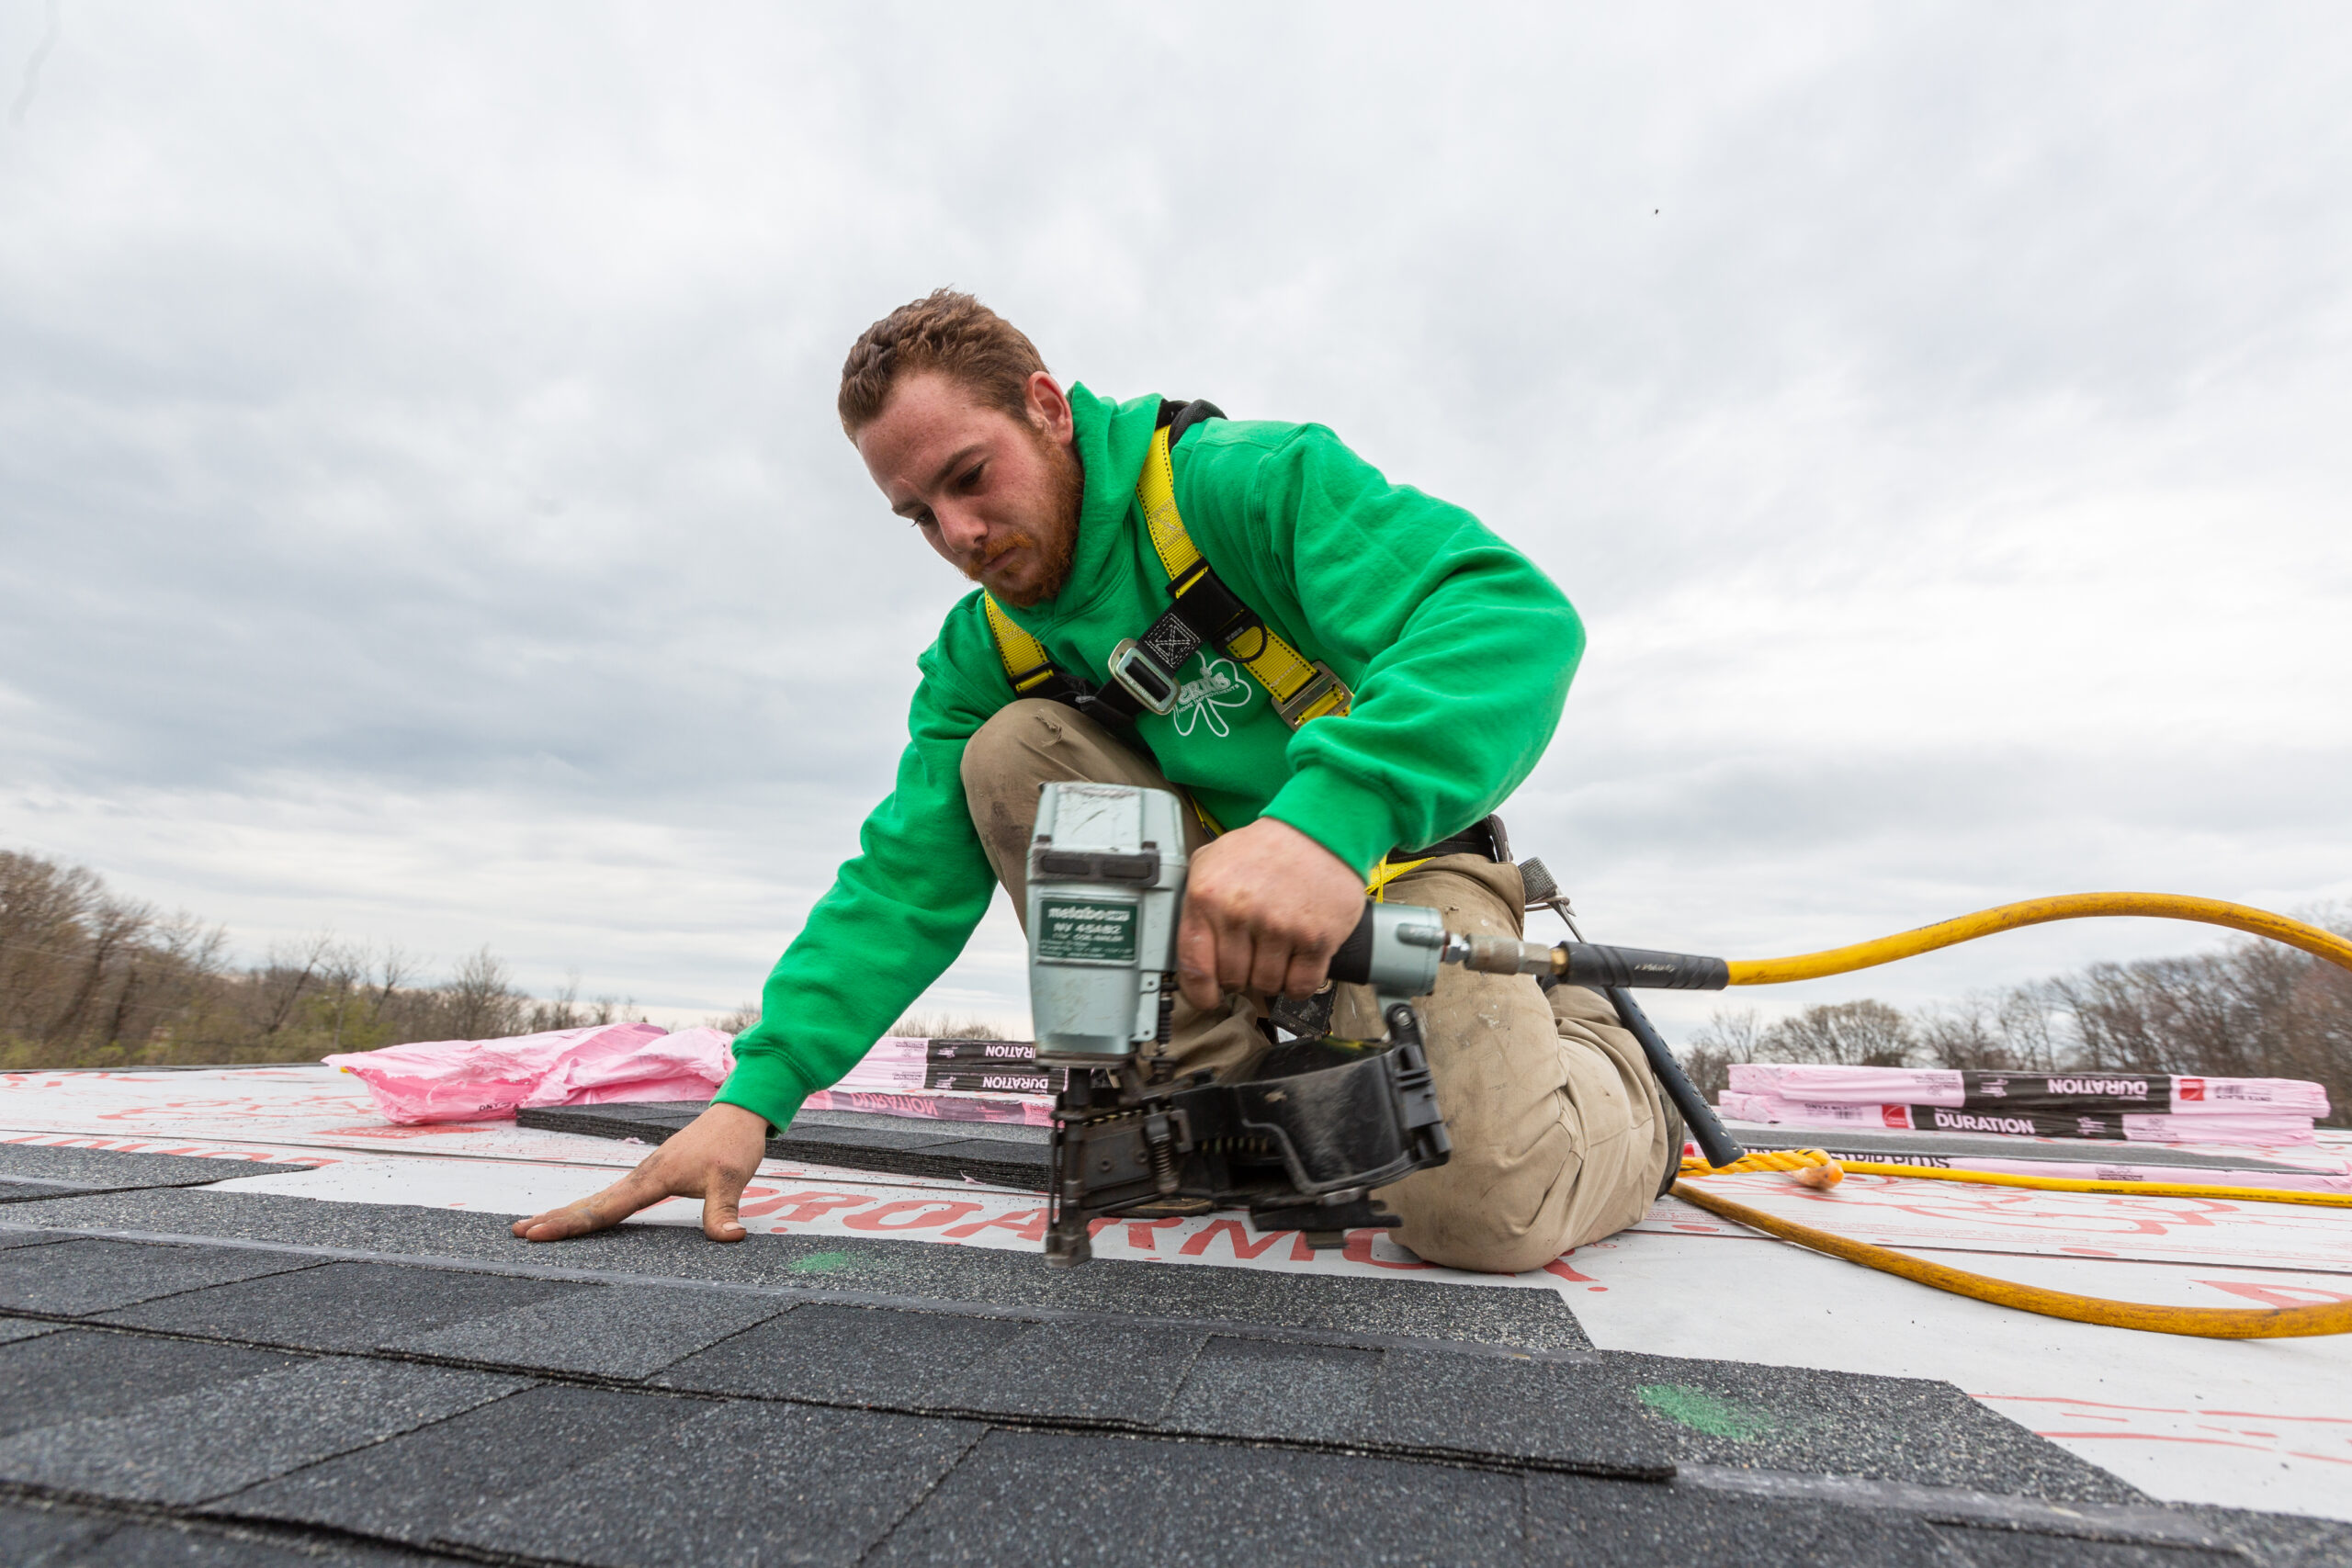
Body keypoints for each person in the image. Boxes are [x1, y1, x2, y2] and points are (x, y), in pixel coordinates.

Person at [514, 290, 1673, 1272]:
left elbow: (1509, 616)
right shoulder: (985, 651)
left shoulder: (1244, 483)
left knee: (1485, 1213)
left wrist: (1328, 823)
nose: (960, 534)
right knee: (1010, 751)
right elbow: (902, 879)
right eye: (919, 516)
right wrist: (749, 1099)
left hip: (1398, 875)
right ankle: (1187, 1090)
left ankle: (1610, 1070)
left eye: (971, 478)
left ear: (1048, 407)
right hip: (1222, 950)